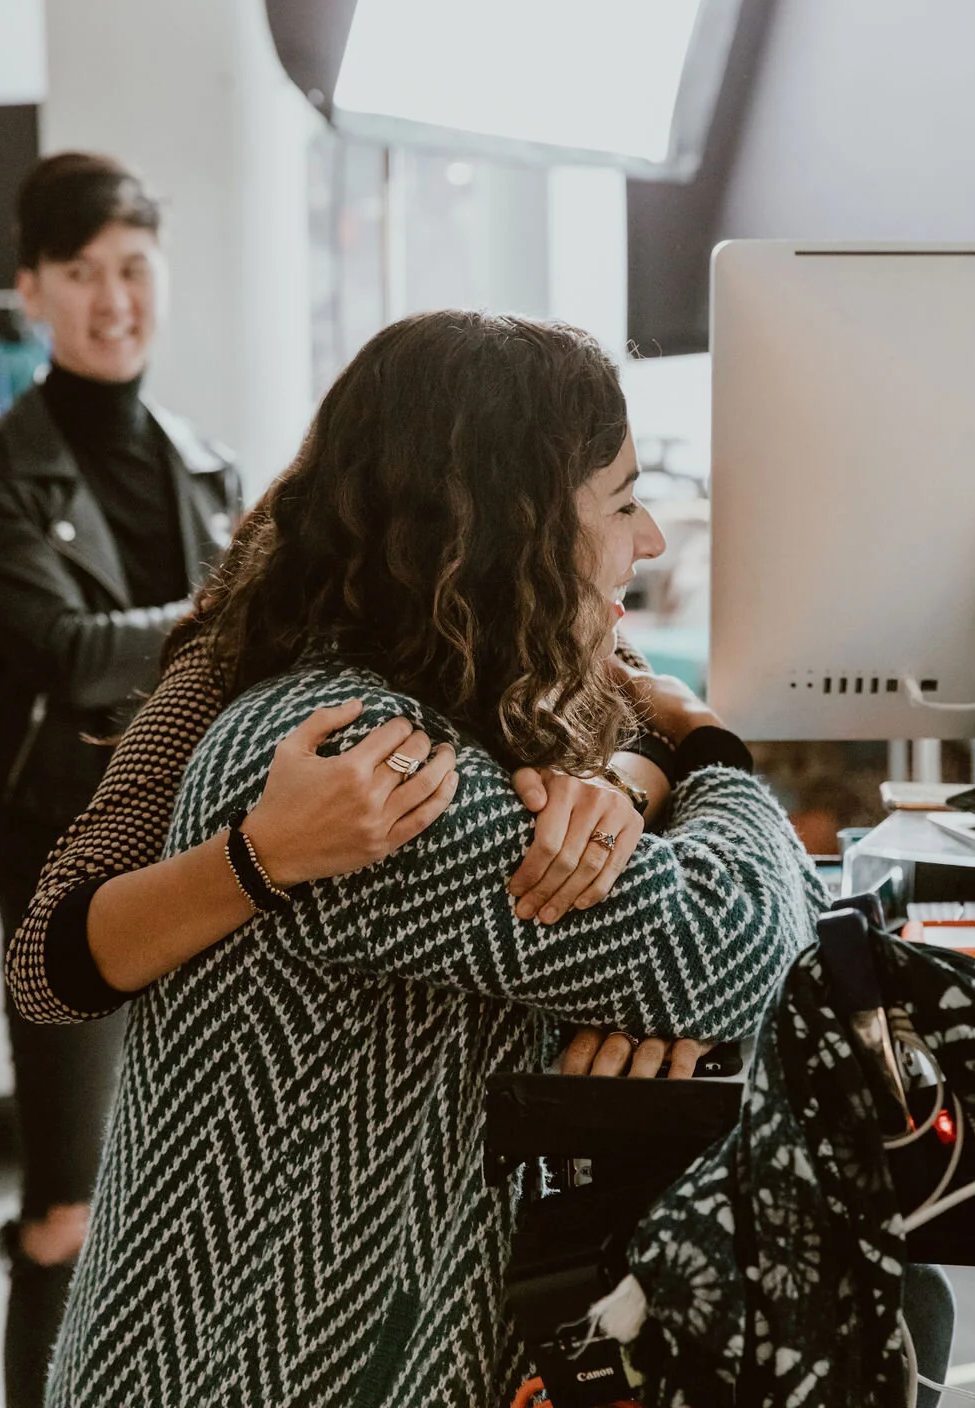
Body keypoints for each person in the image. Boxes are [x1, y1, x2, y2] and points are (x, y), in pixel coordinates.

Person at [42, 310, 826, 1408]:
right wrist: (709, 744)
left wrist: (626, 781)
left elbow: (620, 719)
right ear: (506, 529)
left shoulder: (445, 688)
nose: (649, 541)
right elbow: (748, 949)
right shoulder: (367, 761)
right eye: (625, 502)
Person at [0, 151, 247, 1408]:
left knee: (198, 1204)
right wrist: (235, 612)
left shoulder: (210, 467)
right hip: (62, 862)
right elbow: (69, 655)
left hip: (209, 852)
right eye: (82, 272)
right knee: (72, 1204)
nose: (112, 297)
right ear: (32, 293)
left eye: (133, 266)